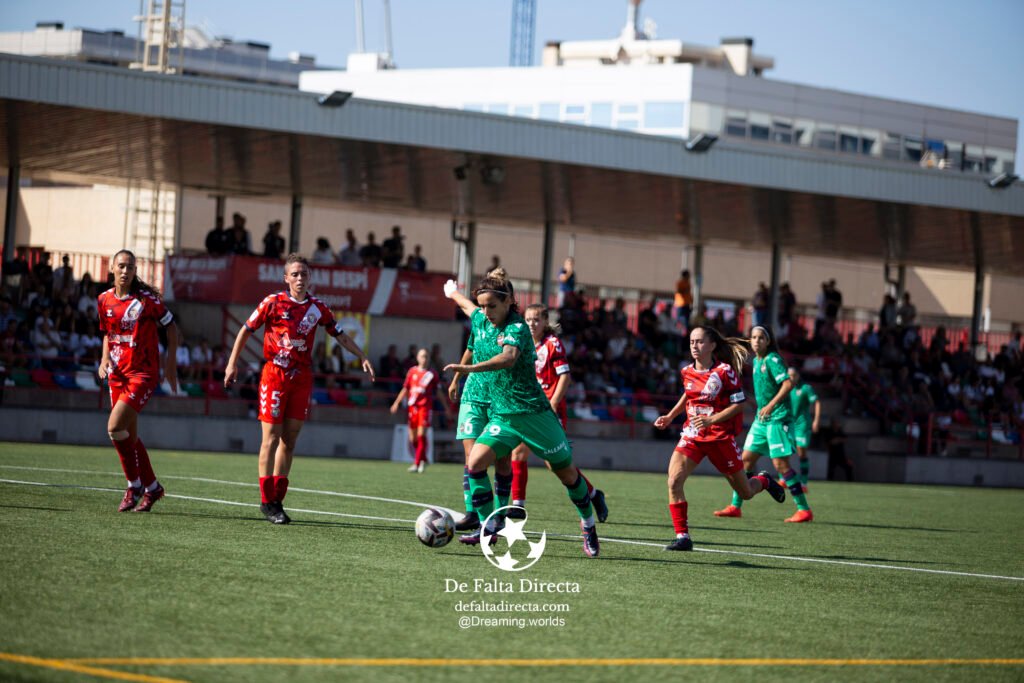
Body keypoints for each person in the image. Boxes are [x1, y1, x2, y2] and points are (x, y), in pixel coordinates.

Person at [443, 270, 600, 557]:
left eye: (493, 305)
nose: (487, 311)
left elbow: (508, 358)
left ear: (508, 302)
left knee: (567, 475)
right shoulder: (480, 317)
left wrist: (468, 369)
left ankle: (588, 524)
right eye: (484, 306)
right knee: (475, 463)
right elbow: (467, 306)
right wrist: (451, 292)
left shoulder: (516, 327)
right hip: (504, 417)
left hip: (535, 415)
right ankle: (489, 527)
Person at [224, 254, 375, 524]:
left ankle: (278, 500)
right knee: (270, 438)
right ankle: (266, 500)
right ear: (286, 278)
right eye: (294, 274)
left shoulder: (318, 308)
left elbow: (339, 334)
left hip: (301, 378)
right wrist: (232, 364)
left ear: (309, 278)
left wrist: (361, 356)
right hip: (274, 376)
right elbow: (246, 330)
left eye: (304, 274)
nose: (300, 278)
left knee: (289, 440)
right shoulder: (273, 303)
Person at [655, 326, 785, 550]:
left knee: (745, 492)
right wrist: (670, 416)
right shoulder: (686, 371)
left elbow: (739, 405)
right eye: (692, 342)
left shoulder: (725, 371)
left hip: (719, 437)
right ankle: (683, 537)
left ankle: (763, 480)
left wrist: (711, 420)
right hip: (693, 435)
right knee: (674, 481)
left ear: (712, 345)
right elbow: (689, 392)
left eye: (700, 342)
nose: (694, 346)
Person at [507, 303, 608, 522]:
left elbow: (565, 377)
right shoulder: (522, 343)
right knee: (518, 452)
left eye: (536, 320)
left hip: (550, 410)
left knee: (556, 465)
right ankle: (518, 505)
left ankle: (593, 494)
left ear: (545, 322)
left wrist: (552, 403)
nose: (532, 324)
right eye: (528, 320)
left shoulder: (553, 344)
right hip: (529, 408)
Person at [97, 249, 180, 513]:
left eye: (130, 267)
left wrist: (170, 364)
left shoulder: (146, 302)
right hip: (117, 375)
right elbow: (107, 334)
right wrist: (103, 360)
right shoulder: (103, 300)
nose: (125, 271)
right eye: (121, 266)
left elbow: (171, 327)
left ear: (135, 271)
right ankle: (153, 488)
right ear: (112, 268)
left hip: (142, 374)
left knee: (114, 427)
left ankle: (133, 486)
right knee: (128, 436)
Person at [715, 325, 813, 523]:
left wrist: (769, 405)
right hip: (762, 420)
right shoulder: (757, 361)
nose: (756, 341)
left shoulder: (772, 359)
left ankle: (804, 510)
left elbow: (787, 384)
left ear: (768, 341)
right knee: (745, 461)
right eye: (753, 337)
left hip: (778, 418)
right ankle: (735, 506)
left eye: (761, 337)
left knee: (781, 464)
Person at [390, 348, 448, 473]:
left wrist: (446, 407)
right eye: (422, 356)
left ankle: (417, 463)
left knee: (422, 435)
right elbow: (405, 389)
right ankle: (423, 459)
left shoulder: (432, 374)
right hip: (412, 407)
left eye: (426, 356)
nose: (424, 358)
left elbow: (438, 392)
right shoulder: (412, 372)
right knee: (413, 439)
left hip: (425, 408)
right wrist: (396, 403)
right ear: (417, 358)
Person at [787, 367, 821, 491]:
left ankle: (804, 483)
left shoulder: (806, 388)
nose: (792, 377)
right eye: (789, 375)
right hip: (789, 424)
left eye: (794, 375)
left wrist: (816, 420)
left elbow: (817, 402)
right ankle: (784, 479)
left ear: (798, 375)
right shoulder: (785, 388)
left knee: (801, 452)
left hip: (802, 425)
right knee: (784, 452)